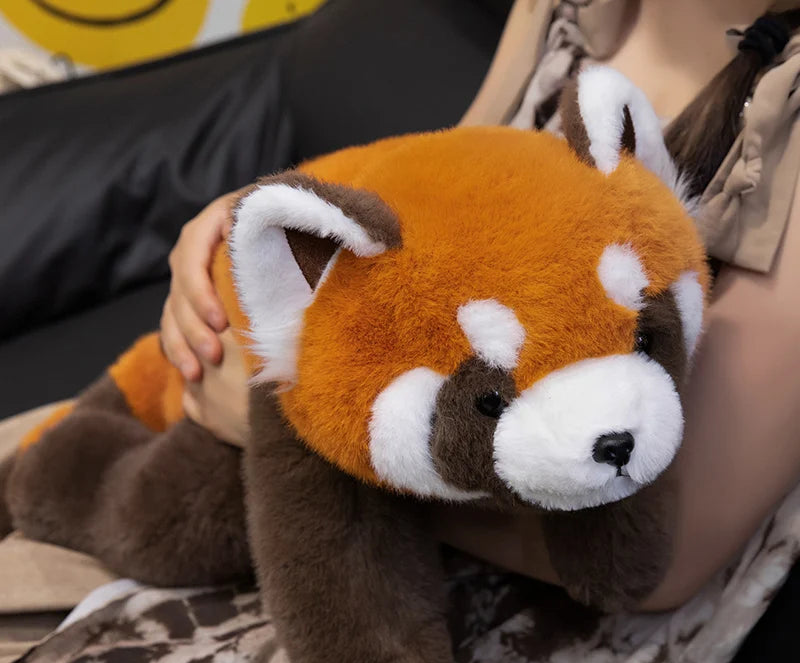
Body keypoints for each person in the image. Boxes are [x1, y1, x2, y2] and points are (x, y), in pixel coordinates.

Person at [160, 0, 800, 613]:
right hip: (415, 499)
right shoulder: (564, 9)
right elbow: (437, 185)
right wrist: (256, 231)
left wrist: (302, 436)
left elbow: (662, 559)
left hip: (565, 604)